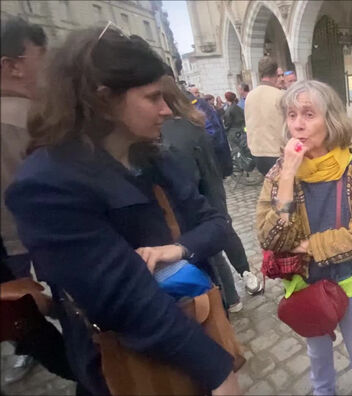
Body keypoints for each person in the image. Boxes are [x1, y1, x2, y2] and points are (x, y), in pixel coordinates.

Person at [5, 26, 241, 395]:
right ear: (104, 100)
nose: (166, 110)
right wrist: (216, 371)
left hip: (195, 325)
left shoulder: (154, 158)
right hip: (132, 363)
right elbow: (123, 298)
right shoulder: (47, 183)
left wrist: (178, 249)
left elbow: (216, 224)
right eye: (152, 98)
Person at [256, 80, 352, 396]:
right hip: (307, 284)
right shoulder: (279, 173)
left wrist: (308, 246)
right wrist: (287, 175)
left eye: (309, 114)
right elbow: (268, 235)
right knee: (317, 351)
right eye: (292, 114)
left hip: (351, 280)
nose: (298, 124)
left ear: (331, 119)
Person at [0, 16, 74, 386]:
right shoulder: (30, 120)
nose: (47, 67)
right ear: (11, 66)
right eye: (39, 56)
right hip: (45, 250)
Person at [160, 76, 254, 313]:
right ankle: (234, 292)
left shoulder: (182, 127)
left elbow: (218, 146)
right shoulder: (193, 122)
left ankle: (237, 285)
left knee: (216, 244)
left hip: (193, 204)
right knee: (217, 243)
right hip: (206, 195)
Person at [245, 56, 286, 176]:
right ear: (275, 73)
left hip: (257, 153)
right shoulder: (280, 96)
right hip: (276, 152)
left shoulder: (250, 96)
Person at [192, 92, 233, 178]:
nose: (197, 94)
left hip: (213, 154)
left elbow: (214, 132)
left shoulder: (201, 107)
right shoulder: (206, 108)